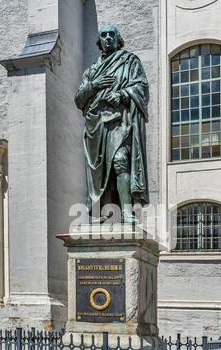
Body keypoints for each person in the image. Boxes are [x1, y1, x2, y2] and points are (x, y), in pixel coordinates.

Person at [75, 24, 150, 223]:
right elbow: (79, 100)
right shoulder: (91, 71)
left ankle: (126, 211)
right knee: (99, 175)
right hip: (96, 126)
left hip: (119, 122)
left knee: (121, 160)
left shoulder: (129, 62)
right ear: (100, 41)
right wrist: (94, 85)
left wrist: (122, 94)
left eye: (112, 35)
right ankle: (104, 212)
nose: (108, 38)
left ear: (118, 39)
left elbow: (141, 87)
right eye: (104, 35)